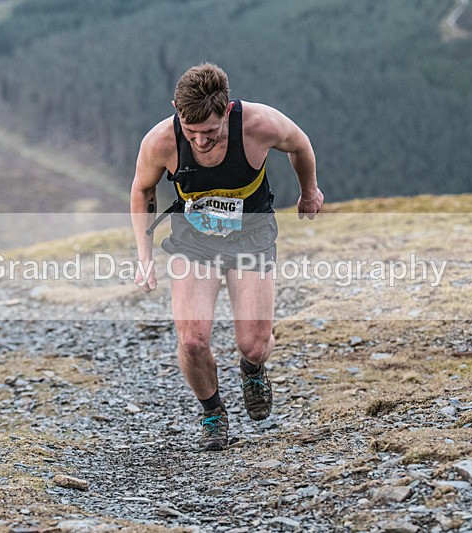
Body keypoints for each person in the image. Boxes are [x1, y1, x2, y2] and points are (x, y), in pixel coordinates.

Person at [130, 63, 324, 451]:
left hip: (251, 237)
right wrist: (144, 255)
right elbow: (142, 191)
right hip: (194, 242)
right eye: (191, 131)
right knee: (192, 340)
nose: (200, 141)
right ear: (176, 110)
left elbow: (300, 144)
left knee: (254, 344)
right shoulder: (161, 141)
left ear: (228, 111)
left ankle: (252, 369)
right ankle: (213, 413)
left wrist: (309, 192)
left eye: (211, 131)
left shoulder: (259, 124)